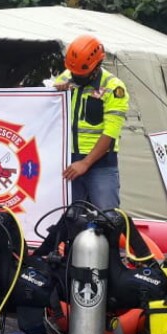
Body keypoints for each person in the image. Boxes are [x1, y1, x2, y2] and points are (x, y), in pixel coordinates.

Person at [53, 34, 128, 210]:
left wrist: (85, 163)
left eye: (81, 73)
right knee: (69, 217)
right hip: (68, 161)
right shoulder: (64, 79)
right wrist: (56, 93)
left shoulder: (114, 88)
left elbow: (110, 133)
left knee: (107, 217)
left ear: (96, 66)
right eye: (74, 72)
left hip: (100, 164)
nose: (75, 77)